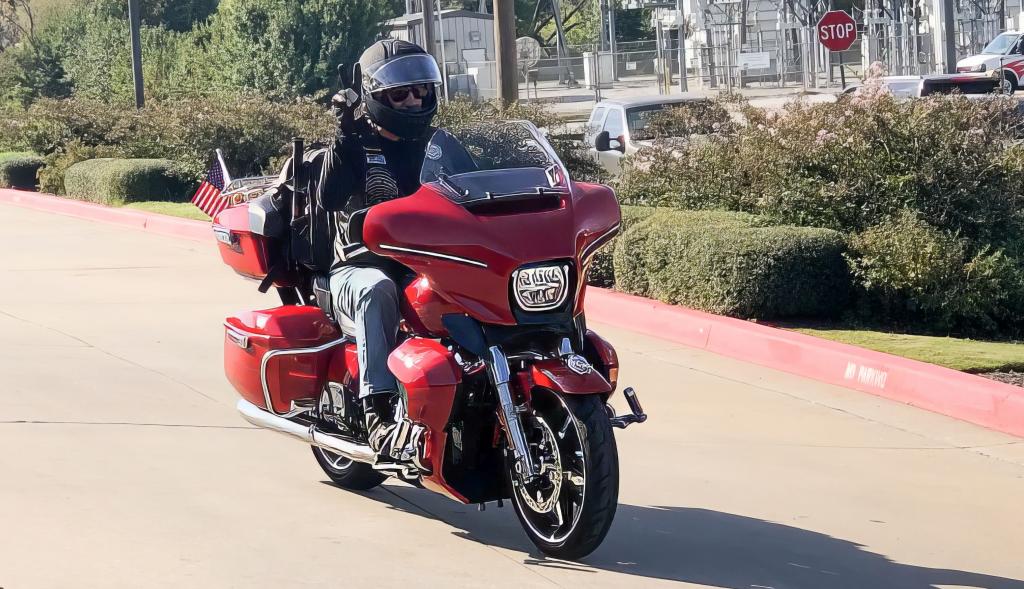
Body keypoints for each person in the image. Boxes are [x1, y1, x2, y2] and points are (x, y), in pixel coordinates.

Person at [315, 39, 441, 457]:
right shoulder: (356, 144)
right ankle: (379, 411)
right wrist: (342, 136)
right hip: (357, 267)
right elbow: (328, 198)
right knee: (377, 289)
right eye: (400, 93)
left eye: (420, 90)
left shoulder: (437, 146)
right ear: (377, 96)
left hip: (423, 264)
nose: (413, 100)